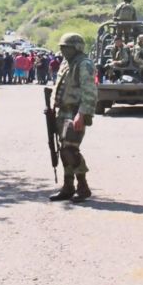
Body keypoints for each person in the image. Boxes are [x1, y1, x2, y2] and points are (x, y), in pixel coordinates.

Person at [49, 33, 97, 203]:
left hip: (75, 112)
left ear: (77, 47)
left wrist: (82, 114)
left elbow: (90, 91)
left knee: (70, 149)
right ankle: (68, 186)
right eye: (62, 48)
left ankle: (83, 187)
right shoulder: (66, 63)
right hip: (62, 112)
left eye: (66, 48)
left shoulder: (84, 64)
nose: (63, 51)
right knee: (63, 150)